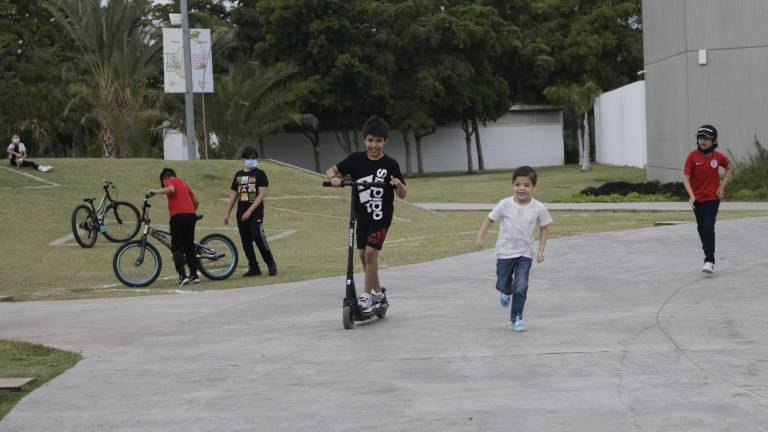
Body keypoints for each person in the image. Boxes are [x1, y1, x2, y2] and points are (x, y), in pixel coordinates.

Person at [325, 115, 407, 313]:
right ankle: (378, 294)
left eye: (378, 141)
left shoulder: (391, 164)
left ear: (385, 141)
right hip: (361, 217)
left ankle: (365, 296)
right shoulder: (355, 159)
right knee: (363, 256)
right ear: (364, 140)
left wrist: (398, 185)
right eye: (370, 140)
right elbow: (331, 170)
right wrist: (334, 179)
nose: (374, 145)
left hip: (381, 217)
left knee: (371, 254)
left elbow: (403, 194)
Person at [474, 166, 552, 332]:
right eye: (517, 184)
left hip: (525, 253)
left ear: (533, 187)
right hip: (504, 252)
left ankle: (517, 318)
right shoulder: (504, 204)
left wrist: (540, 250)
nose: (521, 188)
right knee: (503, 283)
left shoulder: (538, 207)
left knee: (521, 285)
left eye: (526, 185)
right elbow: (489, 219)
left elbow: (544, 227)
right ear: (513, 186)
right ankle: (505, 291)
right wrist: (480, 236)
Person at [682, 124, 732, 274]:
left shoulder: (718, 157)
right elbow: (685, 177)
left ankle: (709, 260)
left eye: (706, 138)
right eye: (700, 138)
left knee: (708, 228)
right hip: (698, 200)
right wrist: (691, 196)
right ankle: (708, 250)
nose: (703, 141)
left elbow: (729, 167)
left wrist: (722, 187)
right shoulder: (692, 157)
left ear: (713, 141)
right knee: (701, 229)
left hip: (712, 199)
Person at [224, 147, 277, 277]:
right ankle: (254, 267)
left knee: (258, 236)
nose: (252, 160)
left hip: (255, 212)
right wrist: (227, 213)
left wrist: (250, 210)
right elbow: (233, 195)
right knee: (246, 241)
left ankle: (271, 263)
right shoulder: (238, 175)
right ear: (243, 159)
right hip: (241, 212)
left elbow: (261, 194)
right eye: (249, 158)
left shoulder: (260, 174)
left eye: (254, 157)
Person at [147, 168, 200, 286]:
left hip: (177, 217)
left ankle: (182, 276)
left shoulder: (168, 180)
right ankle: (194, 275)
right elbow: (196, 202)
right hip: (191, 215)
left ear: (164, 179)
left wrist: (155, 191)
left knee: (176, 248)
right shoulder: (183, 183)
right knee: (189, 247)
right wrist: (189, 212)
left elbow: (171, 189)